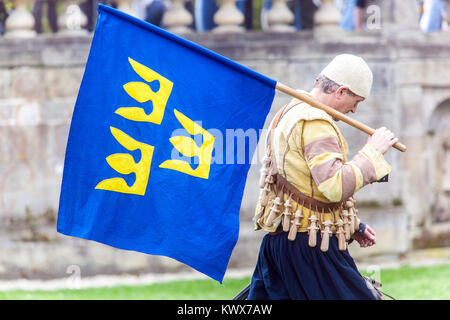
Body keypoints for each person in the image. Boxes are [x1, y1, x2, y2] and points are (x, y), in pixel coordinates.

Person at [248, 54, 398, 300]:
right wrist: (373, 152)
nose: (354, 110)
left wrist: (353, 227)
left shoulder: (288, 111)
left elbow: (305, 187)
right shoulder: (315, 121)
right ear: (341, 91)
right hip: (311, 249)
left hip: (283, 246)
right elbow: (334, 186)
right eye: (355, 101)